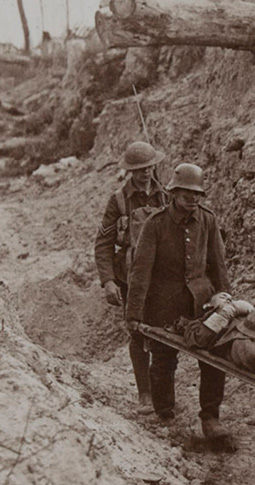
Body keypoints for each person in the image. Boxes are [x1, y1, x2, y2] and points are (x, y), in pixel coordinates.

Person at [125, 163, 232, 447]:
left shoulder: (208, 221)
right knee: (163, 361)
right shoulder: (156, 224)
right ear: (174, 193)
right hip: (163, 305)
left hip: (202, 304)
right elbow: (140, 272)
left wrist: (226, 302)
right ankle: (165, 414)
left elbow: (218, 265)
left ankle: (210, 417)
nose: (192, 200)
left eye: (197, 195)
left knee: (214, 359)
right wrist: (134, 315)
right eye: (186, 195)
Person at [94, 141, 167, 415]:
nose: (145, 174)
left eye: (149, 167)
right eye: (139, 169)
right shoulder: (119, 200)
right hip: (130, 277)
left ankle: (162, 394)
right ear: (130, 171)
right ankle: (145, 394)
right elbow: (103, 242)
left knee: (162, 332)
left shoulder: (165, 196)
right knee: (136, 332)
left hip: (162, 276)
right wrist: (108, 281)